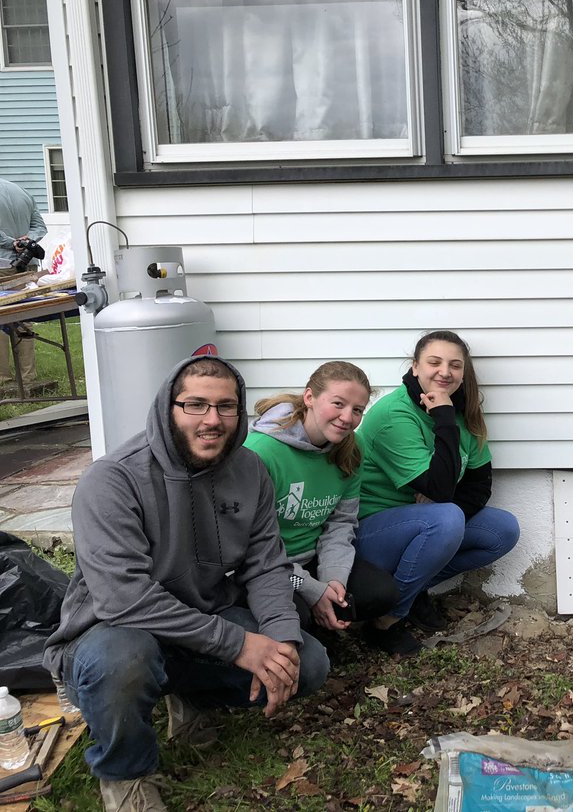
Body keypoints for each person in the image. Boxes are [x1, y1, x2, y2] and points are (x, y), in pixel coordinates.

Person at [43, 356, 329, 812]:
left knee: (309, 663)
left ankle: (190, 699)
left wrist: (280, 639)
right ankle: (125, 774)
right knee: (124, 663)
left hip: (201, 616)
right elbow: (123, 599)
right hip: (112, 631)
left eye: (226, 407)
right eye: (195, 405)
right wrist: (238, 644)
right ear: (167, 409)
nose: (212, 420)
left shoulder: (250, 470)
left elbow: (266, 565)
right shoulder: (113, 479)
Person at [354, 330, 520, 656]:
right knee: (445, 518)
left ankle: (410, 590)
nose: (445, 371)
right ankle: (386, 620)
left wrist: (444, 505)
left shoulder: (461, 412)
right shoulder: (395, 414)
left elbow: (478, 485)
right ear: (415, 367)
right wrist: (443, 418)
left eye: (455, 365)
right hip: (371, 532)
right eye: (435, 362)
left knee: (502, 530)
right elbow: (441, 489)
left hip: (423, 524)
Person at [244, 361, 401, 634]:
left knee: (381, 592)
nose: (347, 418)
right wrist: (311, 589)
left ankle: (325, 622)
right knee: (297, 614)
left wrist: (333, 580)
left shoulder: (352, 447)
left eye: (357, 410)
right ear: (309, 397)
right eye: (338, 404)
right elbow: (250, 550)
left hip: (313, 557)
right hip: (266, 566)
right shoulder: (260, 453)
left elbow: (341, 522)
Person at [0, 178, 47, 390]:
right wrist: (28, 240)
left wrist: (12, 243)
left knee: (2, 321)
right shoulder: (20, 190)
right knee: (24, 318)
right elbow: (39, 227)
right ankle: (28, 378)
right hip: (29, 264)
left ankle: (4, 379)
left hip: (3, 265)